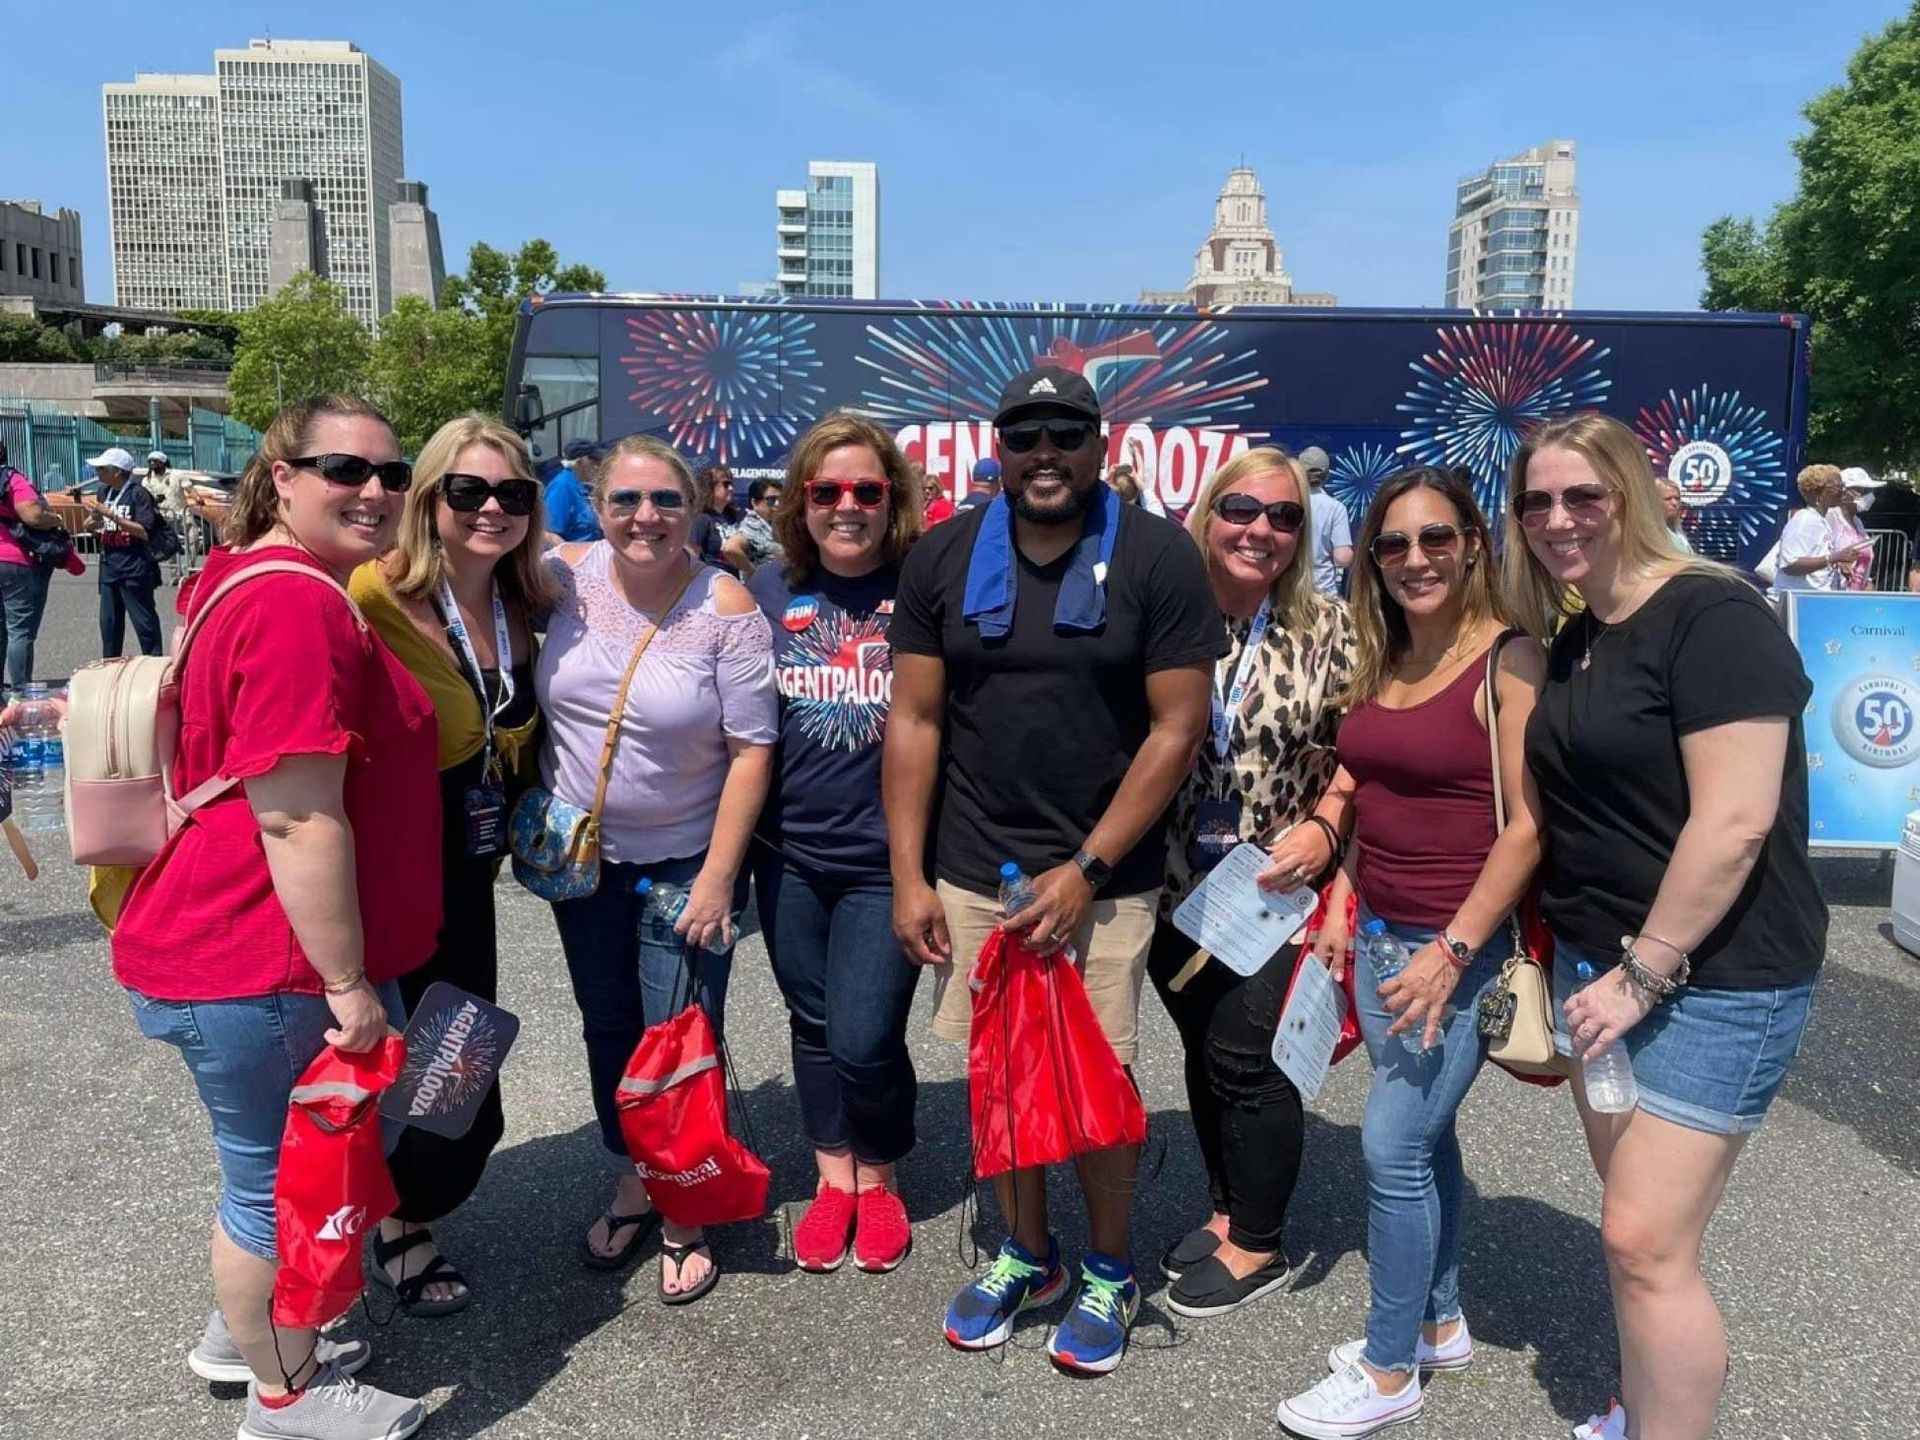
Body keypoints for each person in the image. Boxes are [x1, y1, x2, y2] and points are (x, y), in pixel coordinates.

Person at [110, 396, 439, 1440]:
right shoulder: (298, 602)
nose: (376, 492)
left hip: (221, 941)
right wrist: (349, 986)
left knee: (262, 1167)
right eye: (344, 470)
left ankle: (242, 1338)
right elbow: (296, 814)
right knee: (275, 1186)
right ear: (283, 476)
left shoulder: (246, 575)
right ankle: (287, 1401)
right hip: (262, 955)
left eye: (393, 474)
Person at [885, 364, 1223, 1375]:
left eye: (1065, 435)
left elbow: (1178, 728)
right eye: (1025, 436)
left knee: (1099, 1084)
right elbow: (914, 719)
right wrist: (908, 875)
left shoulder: (1159, 557)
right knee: (1001, 1077)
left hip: (1104, 881)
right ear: (999, 447)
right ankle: (1026, 1252)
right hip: (973, 868)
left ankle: (1110, 1266)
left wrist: (1086, 866)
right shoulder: (944, 556)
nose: (1044, 455)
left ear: (1100, 445)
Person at [1507, 412, 1827, 1440]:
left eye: (1583, 496)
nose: (1560, 519)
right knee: (1639, 1239)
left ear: (1633, 495)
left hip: (1714, 978)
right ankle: (1640, 1409)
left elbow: (1736, 821)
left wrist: (1641, 973)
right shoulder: (1582, 629)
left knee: (1644, 1244)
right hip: (1606, 971)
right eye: (1538, 501)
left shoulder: (1711, 616)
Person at [1277, 465, 1545, 1440]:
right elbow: (1378, 786)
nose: (1415, 558)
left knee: (1390, 1148)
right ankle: (1436, 1320)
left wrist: (1454, 950)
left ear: (1473, 544)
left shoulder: (1509, 661)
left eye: (1436, 538)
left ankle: (1388, 1373)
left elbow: (1525, 830)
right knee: (1424, 1139)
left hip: (1455, 949)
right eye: (1395, 544)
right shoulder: (1389, 655)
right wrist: (1345, 891)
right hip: (1381, 933)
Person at [538, 435, 776, 1303]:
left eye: (666, 502)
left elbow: (752, 751)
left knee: (677, 1034)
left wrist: (719, 878)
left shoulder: (726, 607)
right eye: (626, 501)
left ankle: (685, 1205)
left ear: (697, 507)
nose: (646, 518)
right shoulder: (563, 578)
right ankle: (634, 1175)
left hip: (684, 858)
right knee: (607, 1023)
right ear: (594, 505)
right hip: (581, 860)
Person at [349, 414, 552, 1317]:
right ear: (428, 500)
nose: (491, 509)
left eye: (513, 493)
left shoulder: (523, 598)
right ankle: (395, 1224)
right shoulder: (371, 594)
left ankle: (408, 1198)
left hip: (469, 870)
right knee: (401, 1052)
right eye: (467, 491)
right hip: (389, 862)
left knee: (461, 1051)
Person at [1146, 447, 1355, 1320]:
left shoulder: (1333, 631)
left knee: (1250, 1055)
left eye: (1284, 517)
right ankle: (1227, 1206)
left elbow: (1366, 755)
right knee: (1203, 1048)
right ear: (1205, 513)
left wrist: (1328, 825)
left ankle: (1260, 1241)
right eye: (1241, 508)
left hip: (1277, 881)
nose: (1260, 530)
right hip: (1168, 885)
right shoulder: (1159, 617)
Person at [748, 413, 923, 1275]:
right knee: (811, 1024)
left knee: (863, 1035)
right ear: (800, 503)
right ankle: (834, 1180)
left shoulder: (923, 590)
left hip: (883, 863)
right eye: (827, 491)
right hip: (786, 856)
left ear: (891, 500)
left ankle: (883, 1174)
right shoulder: (764, 591)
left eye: (865, 490)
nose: (846, 506)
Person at [77, 445, 164, 657]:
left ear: (117, 471)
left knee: (145, 625)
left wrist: (113, 515)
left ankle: (155, 668)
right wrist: (96, 517)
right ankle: (110, 669)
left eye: (102, 468)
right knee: (109, 626)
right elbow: (89, 525)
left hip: (135, 569)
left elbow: (145, 531)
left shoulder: (138, 494)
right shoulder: (104, 492)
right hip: (109, 569)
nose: (97, 473)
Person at [0, 439, 67, 686]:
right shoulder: (12, 479)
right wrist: (57, 519)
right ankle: (20, 689)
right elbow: (33, 514)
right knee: (19, 630)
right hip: (14, 560)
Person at [1771, 464, 1864, 596]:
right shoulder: (1804, 520)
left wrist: (1837, 565)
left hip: (1814, 598)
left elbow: (1816, 557)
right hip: (1796, 601)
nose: (1843, 491)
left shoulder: (1821, 520)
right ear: (1818, 493)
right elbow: (1789, 565)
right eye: (1838, 487)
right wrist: (1834, 558)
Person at [1298, 445, 1355, 597]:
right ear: (1327, 474)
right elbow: (1342, 558)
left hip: (1292, 591)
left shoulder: (1290, 503)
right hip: (1324, 592)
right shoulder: (1336, 508)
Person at [1828, 467, 1882, 590]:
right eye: (1859, 489)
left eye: (1865, 490)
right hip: (1833, 593)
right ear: (1843, 491)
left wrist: (1868, 583)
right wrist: (1838, 563)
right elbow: (1818, 553)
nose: (1864, 495)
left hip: (1856, 595)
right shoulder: (1831, 517)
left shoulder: (1858, 522)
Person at [543, 440, 603, 545]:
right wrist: (572, 557)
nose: (599, 466)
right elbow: (548, 534)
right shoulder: (561, 487)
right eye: (595, 461)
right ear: (580, 462)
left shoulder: (585, 486)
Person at [722, 478, 784, 576]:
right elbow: (730, 548)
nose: (777, 504)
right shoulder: (753, 524)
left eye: (781, 499)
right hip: (761, 589)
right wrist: (754, 573)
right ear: (754, 503)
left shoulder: (772, 524)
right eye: (771, 500)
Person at [689, 463, 743, 574]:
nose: (731, 488)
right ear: (709, 487)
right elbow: (692, 557)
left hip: (739, 581)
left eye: (731, 484)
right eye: (726, 484)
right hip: (713, 581)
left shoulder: (735, 516)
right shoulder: (701, 518)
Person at [1655, 479, 1695, 555]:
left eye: (1677, 498)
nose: (1674, 503)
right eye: (1668, 499)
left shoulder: (1678, 533)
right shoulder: (1652, 534)